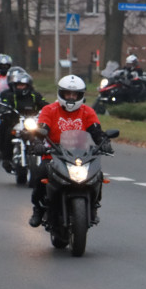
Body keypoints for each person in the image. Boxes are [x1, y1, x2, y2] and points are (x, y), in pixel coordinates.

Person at [29, 75, 112, 227]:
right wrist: (38, 143)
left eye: (75, 94)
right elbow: (42, 129)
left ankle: (93, 207)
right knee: (40, 172)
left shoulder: (87, 111)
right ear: (61, 93)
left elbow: (96, 132)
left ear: (81, 95)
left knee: (97, 175)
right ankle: (38, 209)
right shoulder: (49, 110)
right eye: (68, 94)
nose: (71, 97)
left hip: (81, 156)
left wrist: (104, 142)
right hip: (55, 155)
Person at [0, 70, 47, 172]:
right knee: (7, 132)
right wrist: (4, 109)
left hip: (32, 122)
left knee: (44, 133)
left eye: (22, 85)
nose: (20, 87)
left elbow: (45, 104)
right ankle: (6, 158)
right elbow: (4, 103)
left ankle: (46, 157)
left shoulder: (34, 96)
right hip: (15, 122)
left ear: (28, 86)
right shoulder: (10, 96)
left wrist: (49, 108)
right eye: (18, 85)